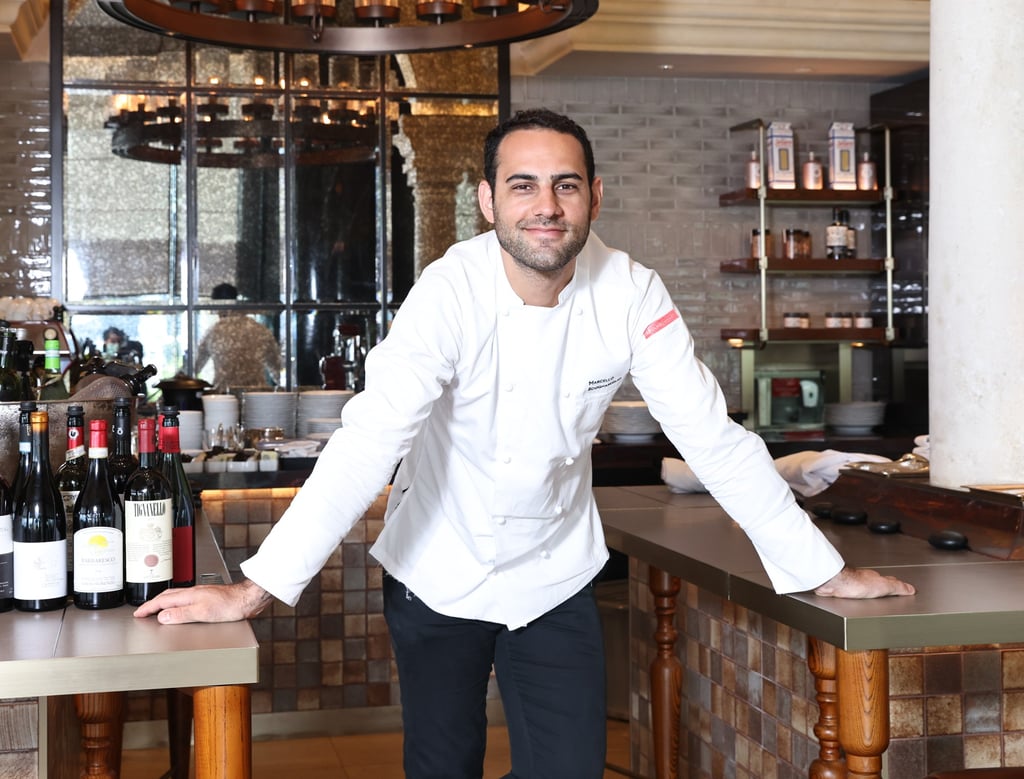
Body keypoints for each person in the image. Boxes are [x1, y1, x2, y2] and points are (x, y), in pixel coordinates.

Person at [136, 109, 914, 779]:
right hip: (437, 566)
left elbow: (713, 436)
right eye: (523, 185)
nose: (546, 206)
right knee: (443, 765)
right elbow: (368, 439)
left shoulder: (632, 291)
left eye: (566, 185)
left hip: (555, 569)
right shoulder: (447, 294)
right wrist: (255, 589)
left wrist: (825, 568)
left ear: (595, 196)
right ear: (486, 201)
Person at [194, 283, 283, 391]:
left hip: (224, 397)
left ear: (217, 305)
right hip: (257, 397)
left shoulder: (213, 332)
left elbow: (194, 366)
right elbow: (279, 371)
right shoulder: (261, 330)